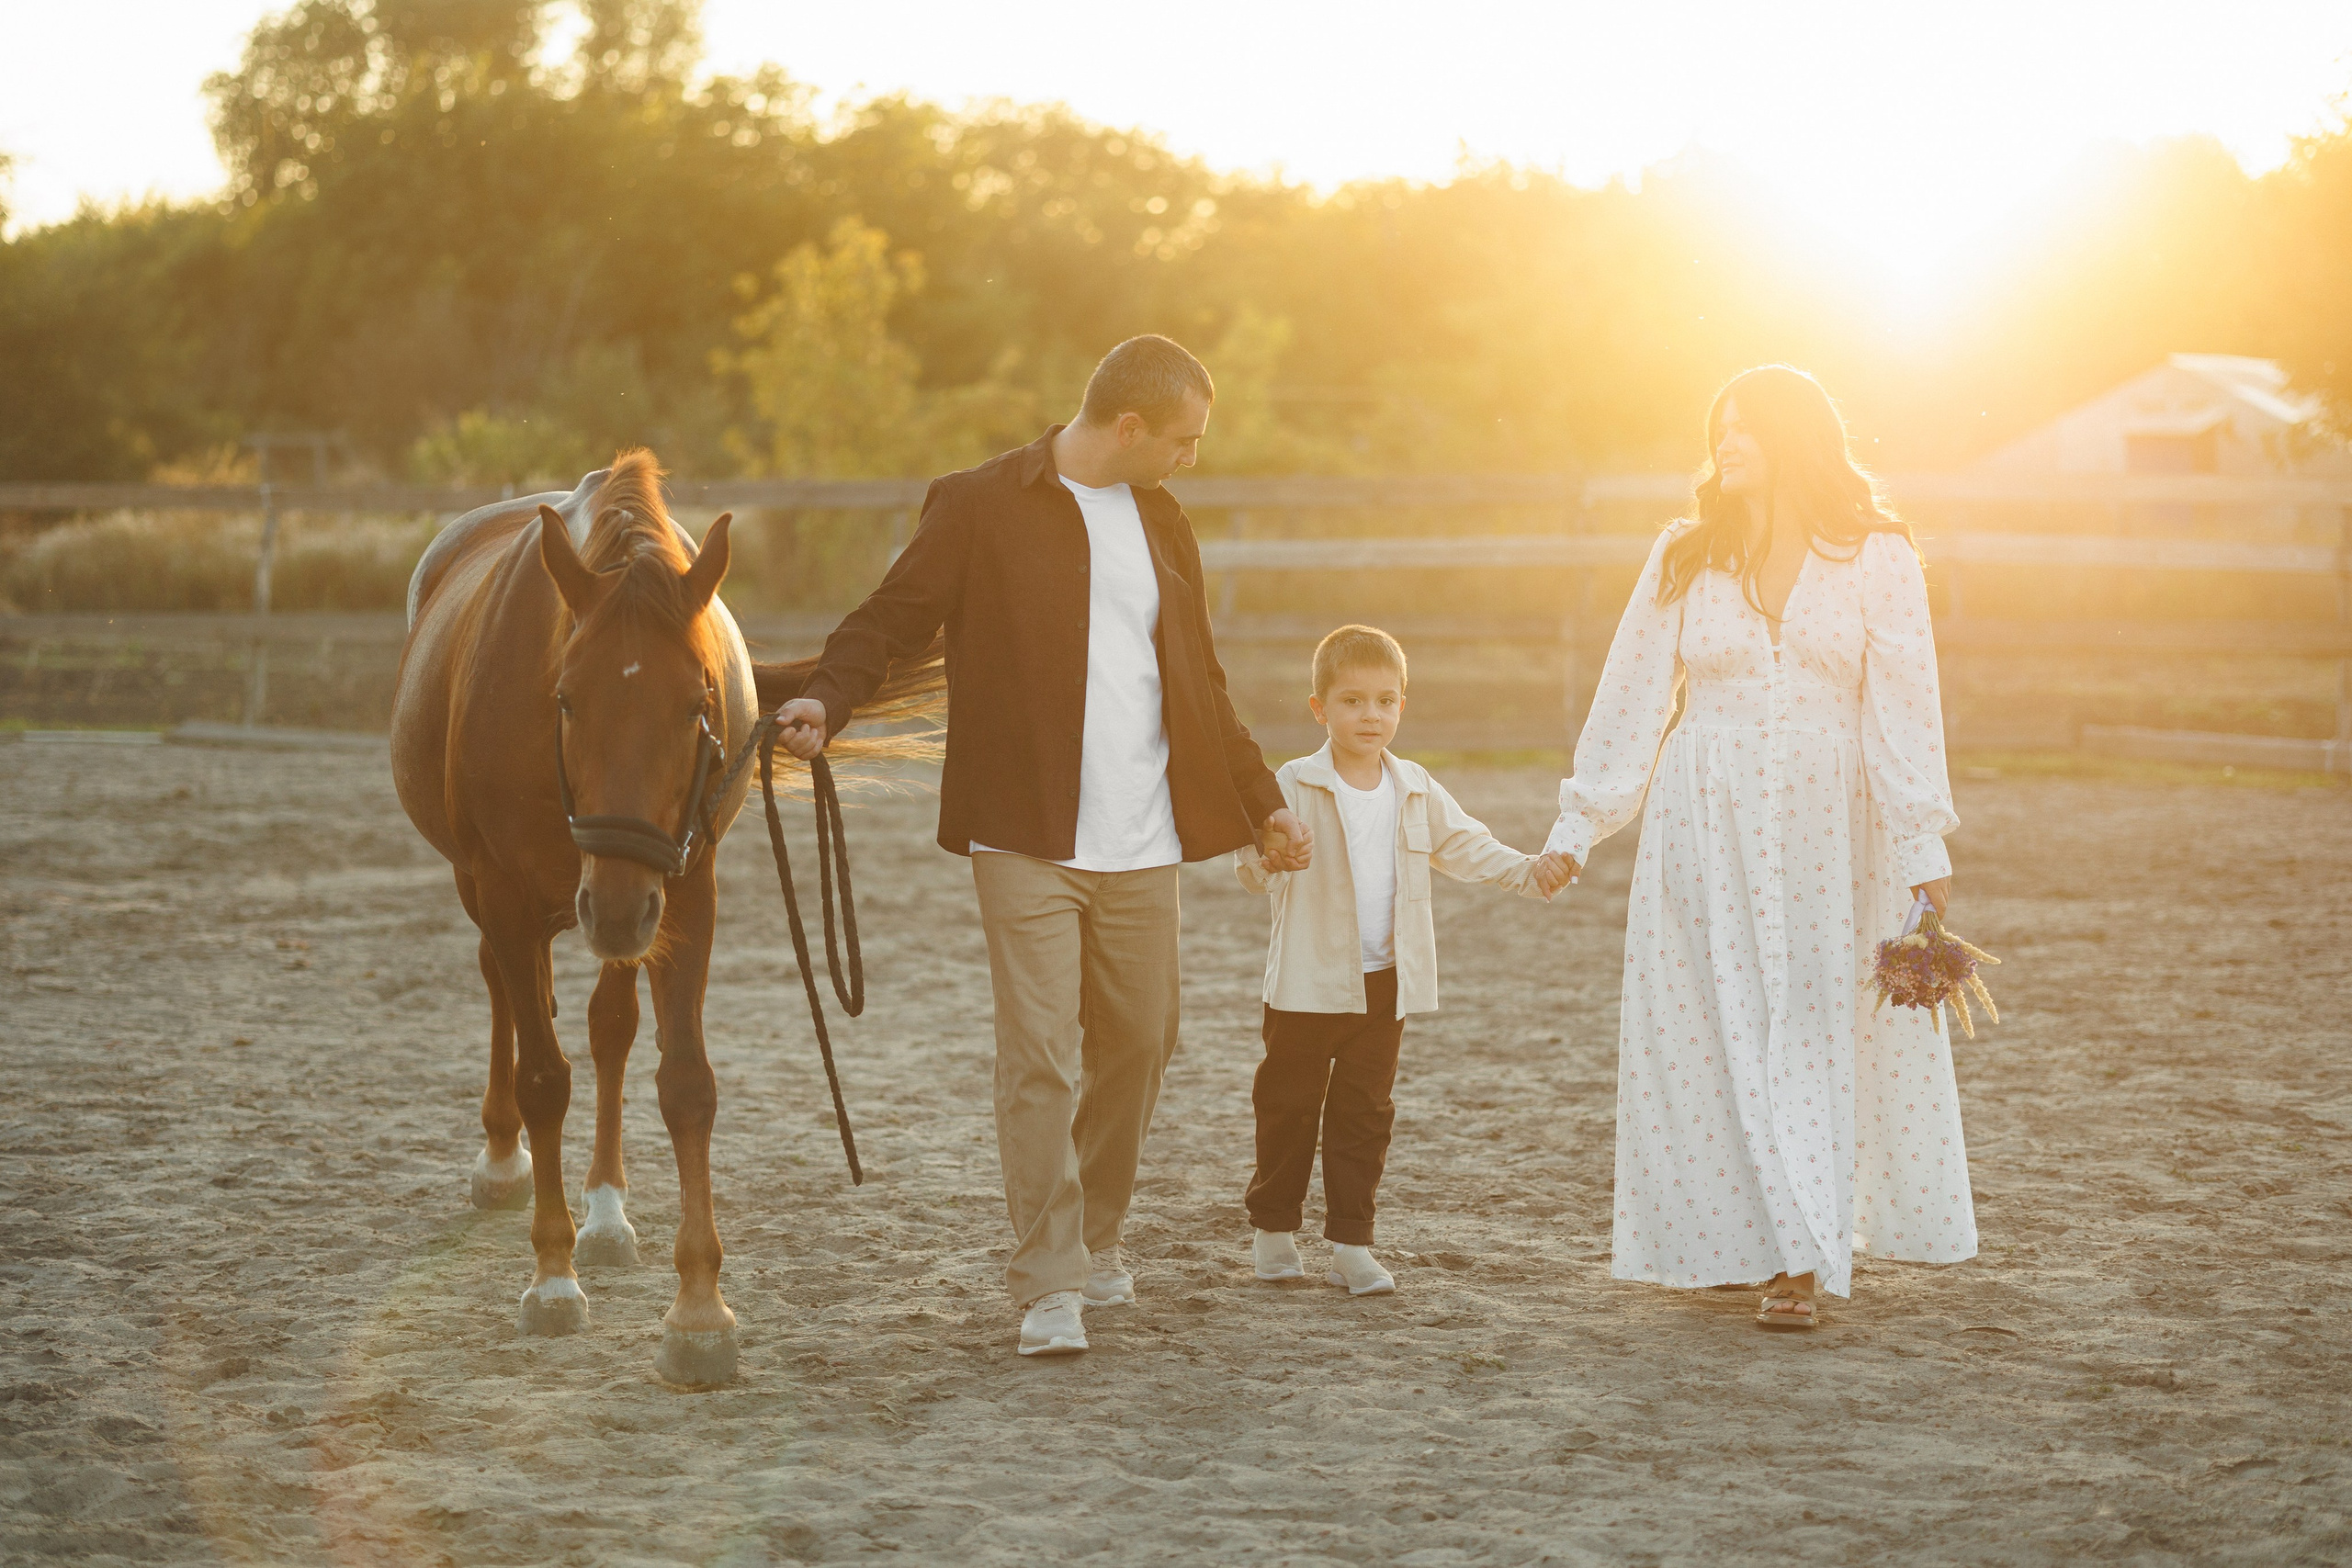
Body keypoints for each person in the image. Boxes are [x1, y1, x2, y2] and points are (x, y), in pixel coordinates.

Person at [772, 334, 1313, 1357]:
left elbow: (1201, 683)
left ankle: (1096, 1237)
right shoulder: (977, 506)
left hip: (1143, 836)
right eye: (1185, 439)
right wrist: (825, 700)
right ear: (1128, 427)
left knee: (1143, 1042)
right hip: (1023, 831)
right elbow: (888, 621)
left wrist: (1262, 800)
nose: (1193, 457)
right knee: (1040, 1059)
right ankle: (1049, 1281)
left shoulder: (1162, 521)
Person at [1532, 365, 1976, 1330]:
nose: (1723, 444)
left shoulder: (1878, 559)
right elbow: (1631, 699)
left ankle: (1800, 1260)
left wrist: (1918, 842)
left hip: (1829, 823)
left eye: (1742, 429)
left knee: (1812, 1029)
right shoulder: (1683, 556)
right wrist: (1580, 826)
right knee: (1712, 1031)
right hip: (1704, 819)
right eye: (1716, 430)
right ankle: (1740, 1239)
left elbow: (1903, 710)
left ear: (1793, 438)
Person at [1238, 626, 1570, 1296]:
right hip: (1306, 984)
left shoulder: (1413, 785)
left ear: (1402, 706)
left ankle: (1351, 1243)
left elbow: (1467, 844)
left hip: (1386, 985)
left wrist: (1530, 871)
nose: (1371, 715)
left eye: (1386, 700)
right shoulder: (1293, 782)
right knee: (1289, 1106)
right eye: (1353, 700)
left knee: (1365, 1114)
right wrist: (1269, 855)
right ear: (1319, 708)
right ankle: (1274, 1230)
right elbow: (1253, 862)